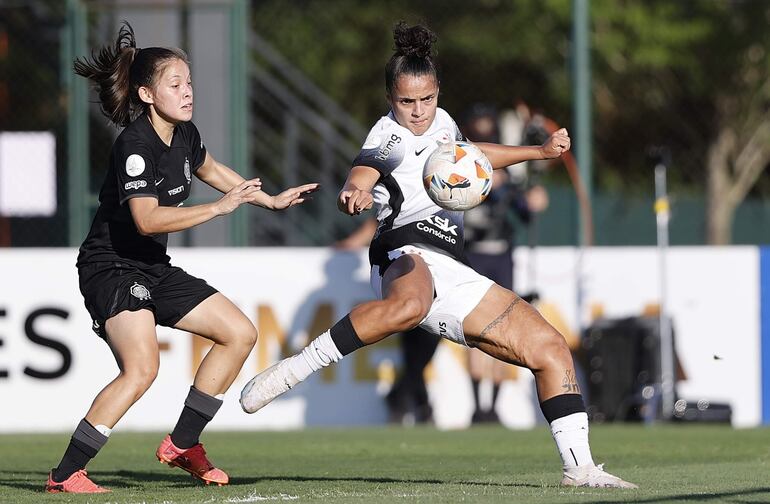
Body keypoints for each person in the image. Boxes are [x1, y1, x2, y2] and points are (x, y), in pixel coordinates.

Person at [241, 22, 637, 489]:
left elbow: (472, 154)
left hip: (451, 266)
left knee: (550, 350)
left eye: (426, 99)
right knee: (410, 306)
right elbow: (363, 171)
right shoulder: (388, 136)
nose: (418, 111)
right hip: (403, 253)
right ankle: (293, 370)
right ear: (391, 99)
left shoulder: (444, 121)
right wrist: (355, 192)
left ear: (437, 92)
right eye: (406, 102)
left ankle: (581, 470)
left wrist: (539, 151)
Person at [45, 22, 317, 494]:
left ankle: (182, 443)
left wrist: (266, 199)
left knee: (239, 333)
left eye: (189, 83)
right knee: (142, 368)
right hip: (109, 266)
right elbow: (147, 220)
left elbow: (212, 170)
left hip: (151, 267)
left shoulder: (185, 135)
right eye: (176, 85)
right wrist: (219, 208)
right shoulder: (134, 145)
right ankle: (66, 473)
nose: (187, 92)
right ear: (148, 94)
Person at [460, 104, 549, 424]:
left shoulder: (508, 178)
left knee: (501, 328)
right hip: (473, 254)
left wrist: (530, 200)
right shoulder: (460, 170)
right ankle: (477, 406)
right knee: (473, 331)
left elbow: (523, 213)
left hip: (502, 256)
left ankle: (493, 406)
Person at [335, 218, 440, 425]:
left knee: (421, 352)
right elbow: (376, 221)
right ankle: (419, 406)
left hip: (437, 277)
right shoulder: (407, 195)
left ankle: (406, 399)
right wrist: (350, 243)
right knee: (413, 350)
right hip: (407, 277)